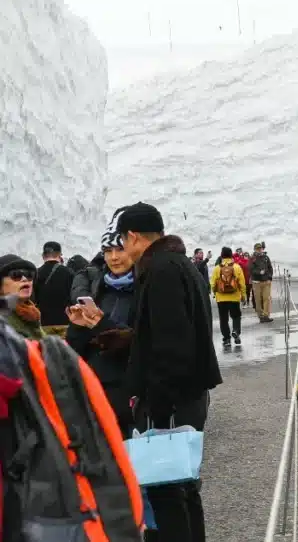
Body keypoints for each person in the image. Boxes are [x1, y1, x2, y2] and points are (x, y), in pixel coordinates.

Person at [115, 203, 222, 542]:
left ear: (133, 236)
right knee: (185, 486)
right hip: (188, 396)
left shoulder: (160, 270)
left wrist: (157, 411)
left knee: (166, 492)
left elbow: (170, 345)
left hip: (172, 403)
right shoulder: (181, 264)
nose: (122, 249)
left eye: (122, 240)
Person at [65, 220, 138, 437]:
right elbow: (77, 349)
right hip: (97, 391)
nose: (114, 257)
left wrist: (101, 324)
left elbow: (146, 340)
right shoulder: (98, 290)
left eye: (120, 249)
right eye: (108, 251)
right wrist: (77, 328)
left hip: (132, 392)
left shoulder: (146, 288)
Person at [0, 254, 44, 339]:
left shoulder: (31, 315)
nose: (25, 279)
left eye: (29, 274)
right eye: (16, 275)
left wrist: (75, 326)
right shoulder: (3, 322)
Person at [33, 240, 73, 330]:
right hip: (65, 324)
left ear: (43, 256)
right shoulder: (69, 272)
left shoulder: (35, 273)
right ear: (60, 255)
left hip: (42, 325)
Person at [211, 247, 246, 348]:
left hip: (221, 298)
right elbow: (242, 283)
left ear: (221, 256)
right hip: (234, 297)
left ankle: (226, 339)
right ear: (231, 255)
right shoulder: (237, 267)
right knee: (236, 316)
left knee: (223, 319)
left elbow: (213, 283)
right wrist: (243, 296)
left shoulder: (217, 268)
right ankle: (236, 332)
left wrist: (215, 292)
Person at [249, 242, 274, 323]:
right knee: (258, 300)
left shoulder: (266, 257)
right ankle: (260, 316)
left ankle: (266, 315)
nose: (259, 250)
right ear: (255, 250)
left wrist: (269, 278)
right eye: (258, 249)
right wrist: (259, 272)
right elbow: (251, 269)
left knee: (267, 298)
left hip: (266, 281)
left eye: (260, 248)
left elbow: (270, 268)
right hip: (256, 282)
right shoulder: (252, 258)